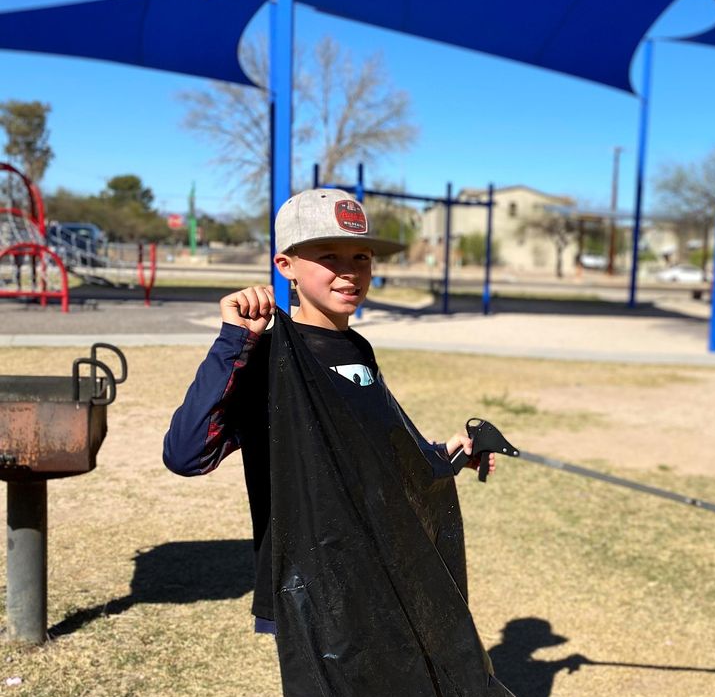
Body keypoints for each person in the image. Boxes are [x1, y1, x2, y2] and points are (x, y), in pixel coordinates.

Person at [163, 188, 493, 632]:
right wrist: (233, 342)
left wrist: (444, 453)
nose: (349, 272)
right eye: (328, 256)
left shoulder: (357, 348)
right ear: (287, 266)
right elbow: (186, 454)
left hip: (372, 577)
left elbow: (373, 453)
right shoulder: (268, 355)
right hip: (311, 592)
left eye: (361, 257)